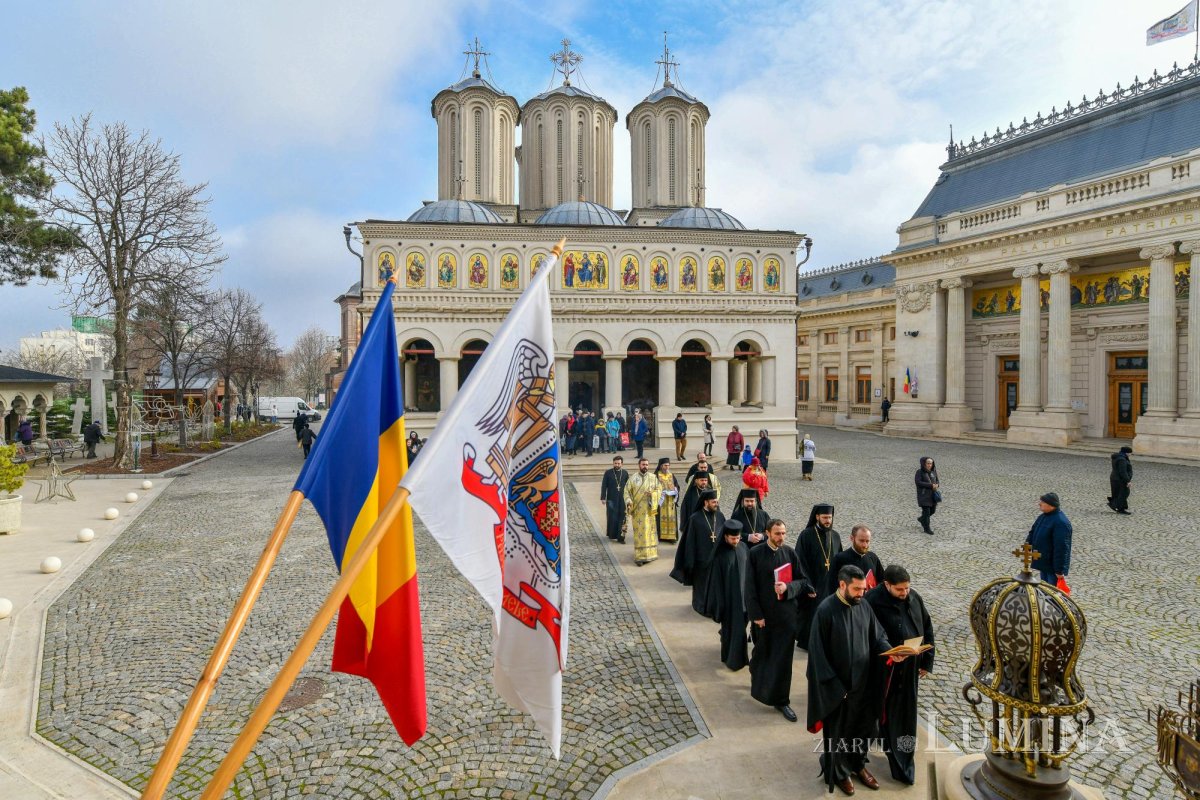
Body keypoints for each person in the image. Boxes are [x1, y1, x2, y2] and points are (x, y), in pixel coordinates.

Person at [807, 565, 902, 796]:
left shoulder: (864, 605)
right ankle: (839, 772)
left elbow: (877, 635)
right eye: (857, 589)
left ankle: (857, 764)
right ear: (842, 585)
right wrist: (837, 689)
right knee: (840, 733)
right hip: (840, 690)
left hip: (865, 684)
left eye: (864, 588)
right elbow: (817, 656)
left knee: (865, 729)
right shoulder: (826, 610)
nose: (862, 592)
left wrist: (890, 651)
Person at [864, 565, 935, 786]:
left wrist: (927, 661)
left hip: (910, 668)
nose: (905, 593)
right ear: (886, 585)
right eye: (899, 590)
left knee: (905, 714)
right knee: (882, 713)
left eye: (907, 588)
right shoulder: (872, 601)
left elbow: (927, 626)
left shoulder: (914, 597)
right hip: (884, 670)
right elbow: (868, 634)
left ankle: (902, 761)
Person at [745, 518, 812, 722]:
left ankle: (781, 700)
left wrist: (787, 588)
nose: (781, 537)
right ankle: (758, 676)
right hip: (764, 618)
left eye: (783, 533)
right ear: (767, 533)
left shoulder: (790, 553)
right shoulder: (755, 554)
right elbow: (749, 587)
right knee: (761, 655)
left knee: (783, 660)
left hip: (786, 616)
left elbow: (803, 581)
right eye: (777, 533)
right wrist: (756, 615)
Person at [670, 489, 725, 615]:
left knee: (715, 586)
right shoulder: (695, 518)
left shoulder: (720, 516)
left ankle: (713, 607)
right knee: (701, 586)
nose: (716, 504)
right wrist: (690, 561)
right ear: (706, 502)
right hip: (701, 560)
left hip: (716, 559)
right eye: (713, 502)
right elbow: (689, 542)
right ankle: (699, 606)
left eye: (717, 501)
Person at [795, 503, 842, 650]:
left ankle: (824, 643)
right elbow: (800, 561)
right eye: (825, 517)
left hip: (830, 585)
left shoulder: (835, 535)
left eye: (830, 517)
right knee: (811, 616)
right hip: (813, 583)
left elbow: (839, 559)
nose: (828, 520)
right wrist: (807, 584)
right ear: (817, 517)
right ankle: (808, 643)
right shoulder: (806, 535)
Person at [704, 519, 750, 671]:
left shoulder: (744, 548)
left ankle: (738, 657)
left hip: (744, 599)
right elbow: (716, 583)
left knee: (741, 629)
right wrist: (720, 604)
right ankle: (733, 660)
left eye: (737, 538)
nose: (736, 541)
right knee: (732, 631)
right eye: (733, 538)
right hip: (728, 600)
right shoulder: (720, 556)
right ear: (725, 537)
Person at [1025, 492, 1072, 586]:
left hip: (1052, 567)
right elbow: (1033, 532)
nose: (1039, 503)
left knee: (1052, 593)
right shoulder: (1043, 517)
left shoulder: (1061, 523)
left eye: (1043, 502)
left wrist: (1059, 570)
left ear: (1051, 505)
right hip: (1044, 563)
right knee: (1044, 590)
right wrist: (1027, 545)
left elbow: (1062, 548)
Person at [825, 525, 884, 596]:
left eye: (867, 541)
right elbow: (832, 587)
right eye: (861, 541)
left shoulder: (873, 557)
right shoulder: (839, 559)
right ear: (852, 538)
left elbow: (882, 581)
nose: (865, 545)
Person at [624, 457, 662, 566]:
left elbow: (659, 489)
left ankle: (651, 554)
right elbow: (626, 491)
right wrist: (629, 500)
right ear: (639, 465)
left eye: (646, 464)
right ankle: (640, 557)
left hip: (649, 511)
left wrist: (653, 495)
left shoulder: (653, 477)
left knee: (649, 533)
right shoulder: (633, 478)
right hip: (638, 512)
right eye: (643, 464)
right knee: (640, 534)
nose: (645, 466)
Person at [678, 468, 721, 538]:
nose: (704, 482)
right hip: (695, 525)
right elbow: (684, 510)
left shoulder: (711, 492)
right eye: (702, 480)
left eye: (706, 480)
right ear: (696, 480)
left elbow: (716, 507)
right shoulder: (690, 493)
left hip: (709, 525)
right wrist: (684, 526)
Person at [600, 456, 629, 543]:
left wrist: (630, 498)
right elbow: (604, 485)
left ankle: (621, 537)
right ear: (613, 463)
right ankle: (612, 534)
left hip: (623, 499)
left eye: (619, 463)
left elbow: (629, 486)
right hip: (611, 499)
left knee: (623, 517)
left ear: (622, 464)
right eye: (615, 463)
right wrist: (603, 497)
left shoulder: (625, 473)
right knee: (612, 517)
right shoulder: (608, 473)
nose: (617, 465)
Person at [655, 457, 680, 544]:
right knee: (661, 519)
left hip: (670, 502)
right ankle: (662, 536)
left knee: (671, 519)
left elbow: (677, 486)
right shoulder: (656, 475)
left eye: (668, 465)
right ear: (661, 466)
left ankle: (672, 537)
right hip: (661, 503)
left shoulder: (671, 475)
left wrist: (675, 490)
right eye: (665, 465)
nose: (667, 467)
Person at [915, 456, 940, 535]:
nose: (930, 465)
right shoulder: (919, 472)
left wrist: (937, 485)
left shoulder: (933, 472)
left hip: (932, 496)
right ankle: (927, 528)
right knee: (926, 512)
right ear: (924, 464)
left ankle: (922, 519)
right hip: (924, 495)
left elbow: (937, 481)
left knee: (932, 511)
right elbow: (918, 482)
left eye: (931, 463)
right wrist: (931, 485)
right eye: (928, 463)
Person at [1107, 445, 1133, 515]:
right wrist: (1128, 481)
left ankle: (1120, 507)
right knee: (1124, 493)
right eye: (1130, 453)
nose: (1131, 454)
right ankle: (1117, 506)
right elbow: (1123, 471)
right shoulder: (1122, 459)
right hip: (1119, 479)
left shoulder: (1118, 457)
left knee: (1119, 493)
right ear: (1126, 453)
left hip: (1115, 478)